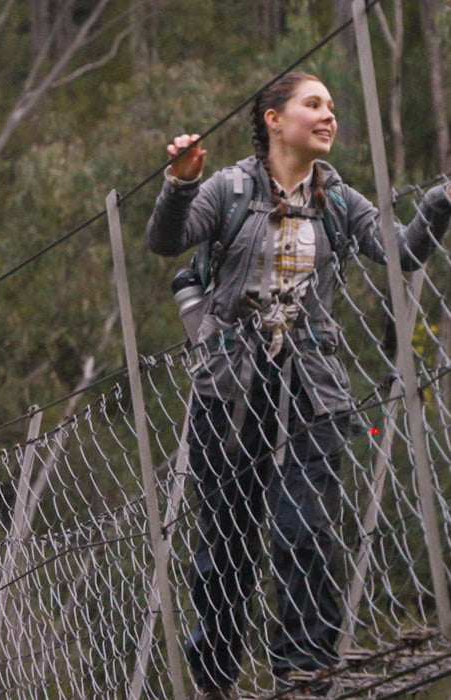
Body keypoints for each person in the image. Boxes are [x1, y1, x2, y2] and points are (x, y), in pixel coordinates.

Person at [146, 72, 451, 700]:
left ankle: (304, 674)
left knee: (305, 528)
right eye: (314, 105)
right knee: (226, 543)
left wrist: (442, 202)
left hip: (310, 385)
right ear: (273, 120)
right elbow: (166, 240)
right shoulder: (227, 189)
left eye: (333, 107)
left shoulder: (340, 200)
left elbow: (402, 254)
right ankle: (215, 680)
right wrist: (179, 184)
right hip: (229, 391)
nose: (329, 116)